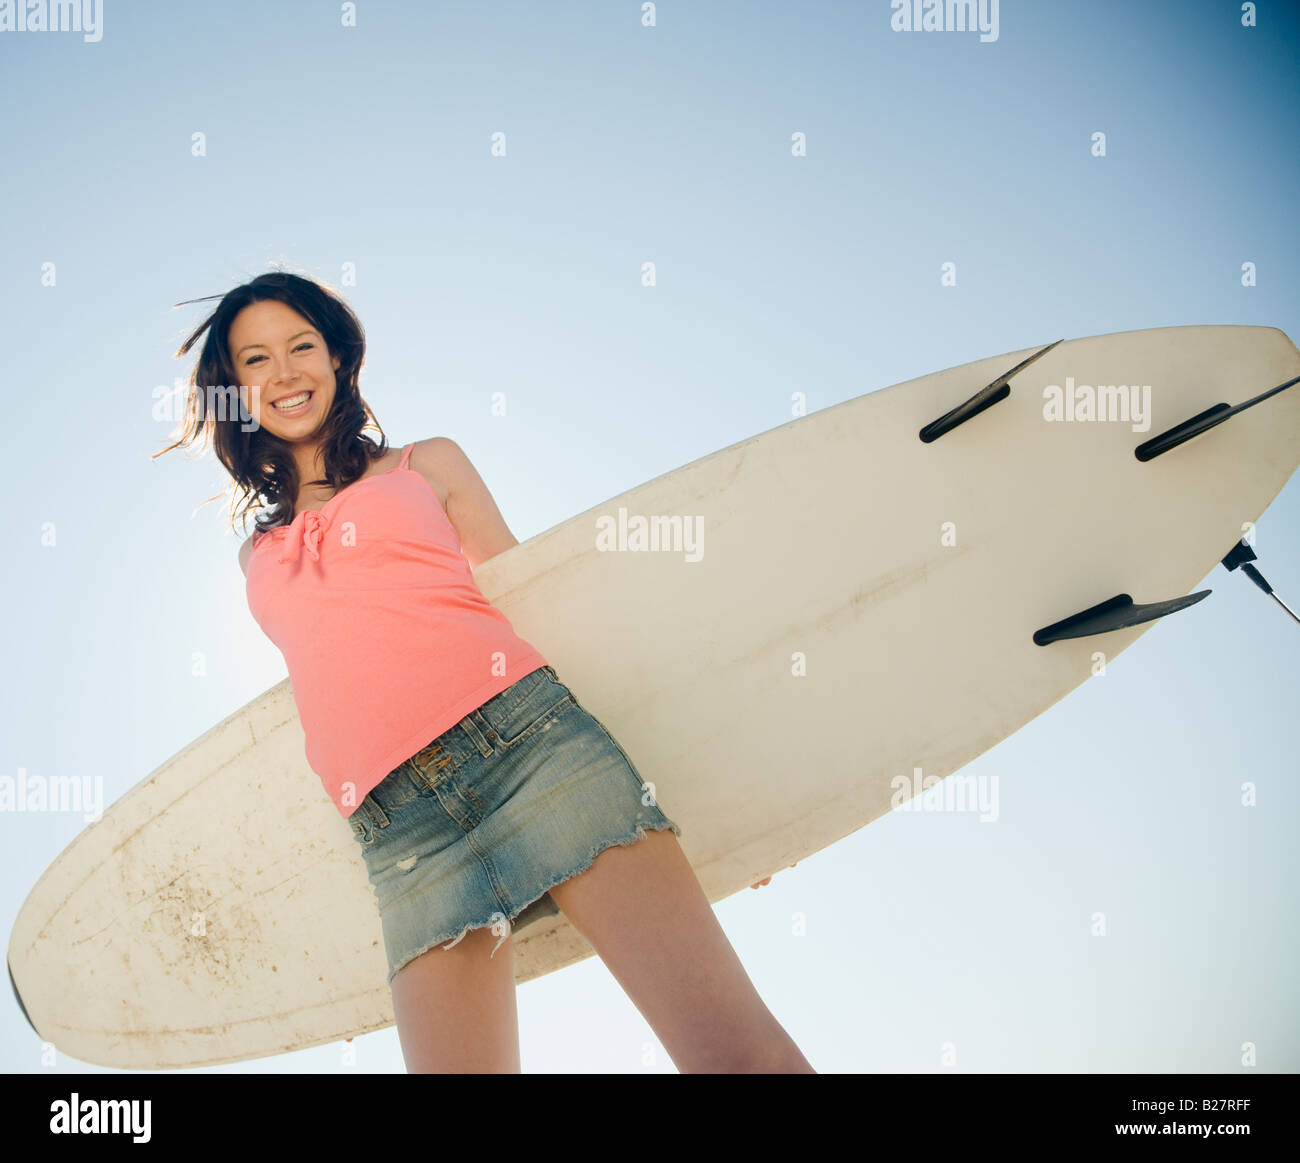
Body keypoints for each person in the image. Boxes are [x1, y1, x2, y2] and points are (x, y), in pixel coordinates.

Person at [162, 270, 814, 1074]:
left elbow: (542, 603)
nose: (286, 372)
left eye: (302, 345)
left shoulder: (425, 463)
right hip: (400, 833)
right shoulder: (254, 554)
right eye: (256, 359)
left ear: (337, 356)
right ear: (234, 388)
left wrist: (739, 829)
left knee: (735, 1055)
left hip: (531, 751)